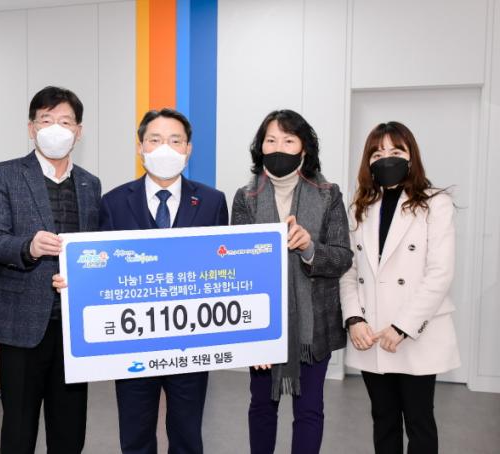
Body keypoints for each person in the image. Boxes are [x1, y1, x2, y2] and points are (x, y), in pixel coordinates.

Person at [98, 108, 228, 454]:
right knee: (135, 435)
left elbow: (223, 268)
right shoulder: (113, 203)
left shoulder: (212, 201)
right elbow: (101, 270)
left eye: (175, 140)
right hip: (132, 343)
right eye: (155, 140)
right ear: (140, 146)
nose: (165, 148)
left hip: (191, 342)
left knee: (187, 434)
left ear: (188, 149)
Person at [0, 86, 100, 454]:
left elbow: (95, 251)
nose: (55, 129)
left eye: (65, 121)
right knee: (18, 430)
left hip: (73, 326)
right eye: (46, 120)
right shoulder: (5, 174)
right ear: (31, 128)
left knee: (69, 430)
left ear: (79, 131)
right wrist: (28, 248)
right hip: (21, 324)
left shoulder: (90, 184)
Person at [231, 109, 352, 454]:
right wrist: (253, 334)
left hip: (314, 328)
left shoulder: (328, 194)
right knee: (261, 405)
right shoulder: (245, 197)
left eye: (288, 140)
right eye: (270, 140)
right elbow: (237, 266)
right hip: (262, 321)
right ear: (260, 147)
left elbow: (342, 257)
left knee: (309, 410)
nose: (278, 148)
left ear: (304, 148)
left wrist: (309, 248)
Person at [339, 121, 460, 454]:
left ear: (411, 156)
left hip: (415, 332)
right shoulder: (360, 207)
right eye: (377, 153)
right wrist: (354, 319)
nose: (386, 159)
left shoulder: (435, 203)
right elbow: (348, 271)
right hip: (372, 332)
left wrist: (403, 326)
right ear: (368, 161)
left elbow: (440, 273)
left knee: (419, 422)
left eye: (396, 151)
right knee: (383, 420)